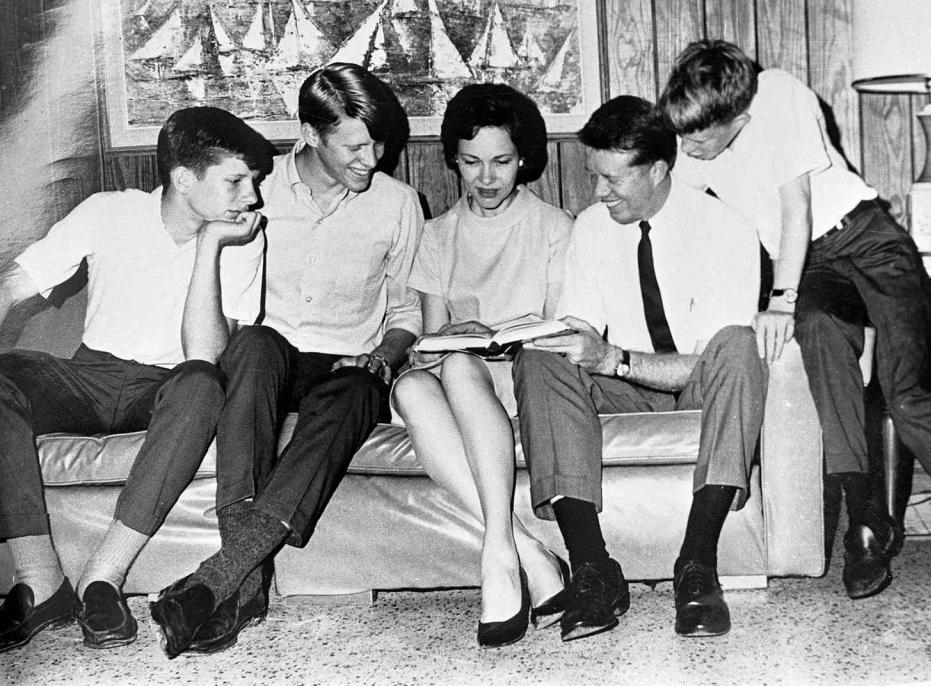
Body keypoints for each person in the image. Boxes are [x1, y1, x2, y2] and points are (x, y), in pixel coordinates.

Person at [659, 39, 931, 600]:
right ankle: (867, 523)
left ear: (738, 120)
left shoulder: (778, 94)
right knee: (819, 332)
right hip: (815, 267)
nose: (687, 148)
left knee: (907, 396)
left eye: (696, 138)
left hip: (868, 243)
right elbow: (666, 200)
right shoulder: (696, 147)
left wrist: (779, 301)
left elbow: (796, 208)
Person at [149, 62, 424, 659]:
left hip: (348, 363)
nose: (371, 159)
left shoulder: (400, 204)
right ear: (309, 133)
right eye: (354, 145)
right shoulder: (254, 193)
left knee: (356, 388)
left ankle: (224, 584)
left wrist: (383, 354)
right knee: (251, 345)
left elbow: (406, 312)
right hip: (267, 357)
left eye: (379, 143)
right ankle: (239, 581)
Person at [0, 106, 273, 653]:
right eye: (236, 181)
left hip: (170, 388)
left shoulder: (244, 238)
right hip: (87, 375)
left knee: (202, 384)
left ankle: (103, 576)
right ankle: (39, 578)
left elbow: (205, 354)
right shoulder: (108, 211)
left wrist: (211, 247)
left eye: (255, 181)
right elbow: (15, 286)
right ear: (184, 179)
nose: (253, 197)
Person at [512, 96, 764, 640]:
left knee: (740, 346)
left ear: (656, 170)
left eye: (612, 179)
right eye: (594, 176)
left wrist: (613, 359)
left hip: (699, 386)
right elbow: (579, 330)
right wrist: (537, 335)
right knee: (539, 358)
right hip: (624, 385)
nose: (598, 193)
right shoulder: (591, 228)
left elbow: (710, 360)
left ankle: (696, 565)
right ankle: (593, 569)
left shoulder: (725, 228)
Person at [391, 83, 571, 648]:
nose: (487, 178)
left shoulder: (555, 227)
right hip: (457, 383)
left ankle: (499, 562)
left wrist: (508, 336)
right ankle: (519, 548)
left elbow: (563, 331)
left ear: (524, 160)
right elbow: (428, 338)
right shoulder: (439, 234)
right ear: (454, 162)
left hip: (523, 379)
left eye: (502, 162)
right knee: (414, 387)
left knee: (457, 371)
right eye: (471, 163)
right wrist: (454, 336)